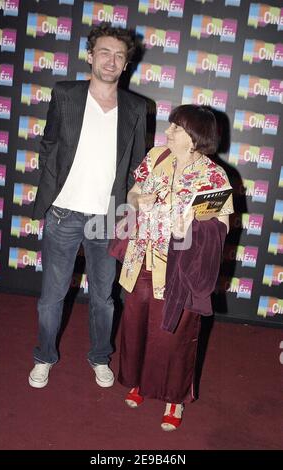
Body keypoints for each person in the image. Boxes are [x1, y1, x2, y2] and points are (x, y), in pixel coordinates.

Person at [28, 24, 147, 389]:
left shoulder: (138, 107)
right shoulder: (65, 94)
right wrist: (49, 197)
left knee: (104, 299)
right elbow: (48, 145)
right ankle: (43, 357)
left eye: (120, 56)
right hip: (63, 213)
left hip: (106, 219)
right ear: (91, 55)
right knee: (52, 296)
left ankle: (99, 357)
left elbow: (137, 167)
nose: (112, 61)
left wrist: (132, 209)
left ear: (126, 64)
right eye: (105, 52)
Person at [116, 104, 234, 431]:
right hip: (142, 259)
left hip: (180, 268)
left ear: (195, 138)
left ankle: (174, 398)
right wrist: (139, 201)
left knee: (174, 336)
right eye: (170, 126)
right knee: (136, 324)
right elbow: (133, 192)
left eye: (176, 128)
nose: (167, 132)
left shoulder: (213, 176)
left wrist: (190, 228)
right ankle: (139, 381)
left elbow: (220, 226)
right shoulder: (157, 157)